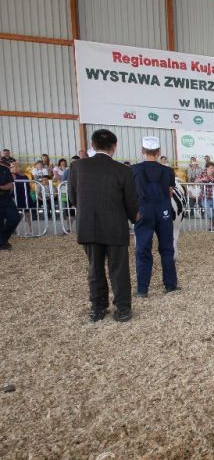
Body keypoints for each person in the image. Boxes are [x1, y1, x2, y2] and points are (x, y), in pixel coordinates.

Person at [68, 129, 138, 322]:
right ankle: (123, 309)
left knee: (95, 268)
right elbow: (131, 201)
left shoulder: (77, 167)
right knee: (119, 269)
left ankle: (98, 308)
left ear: (92, 145)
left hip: (88, 225)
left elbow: (73, 197)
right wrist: (134, 218)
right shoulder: (124, 170)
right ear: (114, 147)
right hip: (115, 226)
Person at [131, 137, 179, 299]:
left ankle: (142, 289)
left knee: (143, 249)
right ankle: (170, 285)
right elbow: (170, 192)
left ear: (142, 151)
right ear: (159, 153)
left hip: (143, 211)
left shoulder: (134, 169)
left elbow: (131, 193)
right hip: (163, 210)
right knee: (166, 248)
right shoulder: (167, 171)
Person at [0, 155, 22, 250]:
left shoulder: (5, 169)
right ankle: (2, 243)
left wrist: (1, 187)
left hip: (6, 197)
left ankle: (3, 240)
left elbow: (10, 184)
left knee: (15, 218)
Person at [10, 160, 33, 236]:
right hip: (15, 196)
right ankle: (14, 230)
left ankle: (30, 230)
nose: (14, 168)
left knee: (27, 213)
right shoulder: (11, 175)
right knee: (13, 214)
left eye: (15, 166)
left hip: (25, 196)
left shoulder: (25, 175)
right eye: (12, 167)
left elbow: (28, 186)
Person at [197, 162, 214, 231]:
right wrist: (202, 179)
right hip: (205, 196)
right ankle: (211, 226)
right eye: (211, 168)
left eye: (213, 168)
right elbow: (195, 181)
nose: (213, 169)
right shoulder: (202, 174)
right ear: (207, 168)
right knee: (209, 212)